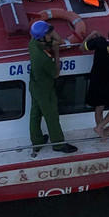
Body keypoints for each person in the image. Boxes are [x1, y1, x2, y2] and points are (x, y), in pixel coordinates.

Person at [28, 20, 77, 156]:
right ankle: (58, 144)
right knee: (52, 116)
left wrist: (48, 33)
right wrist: (56, 53)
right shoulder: (43, 58)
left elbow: (57, 39)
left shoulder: (33, 43)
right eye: (48, 33)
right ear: (43, 37)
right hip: (45, 90)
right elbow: (56, 74)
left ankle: (37, 142)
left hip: (34, 86)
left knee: (35, 115)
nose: (51, 34)